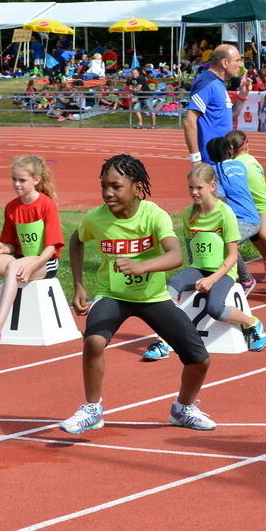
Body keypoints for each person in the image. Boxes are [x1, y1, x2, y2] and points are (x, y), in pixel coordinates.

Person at [64, 155, 217, 434]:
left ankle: (183, 408)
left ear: (136, 187)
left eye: (116, 186)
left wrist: (141, 265)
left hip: (153, 297)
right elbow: (76, 240)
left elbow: (175, 255)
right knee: (94, 341)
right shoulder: (95, 218)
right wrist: (79, 285)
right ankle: (92, 409)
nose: (108, 193)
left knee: (199, 359)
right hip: (113, 294)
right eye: (104, 186)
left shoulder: (153, 215)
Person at [142, 163, 266, 361]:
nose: (194, 192)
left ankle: (252, 323)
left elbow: (233, 256)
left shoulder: (224, 213)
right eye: (191, 188)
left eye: (199, 188)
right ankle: (163, 341)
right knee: (172, 284)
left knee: (214, 309)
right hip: (198, 268)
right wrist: (192, 277)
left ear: (212, 185)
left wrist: (212, 280)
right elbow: (192, 249)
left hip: (223, 272)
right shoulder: (187, 215)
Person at [0, 155, 64, 340]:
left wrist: (31, 267)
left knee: (13, 267)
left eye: (22, 180)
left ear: (36, 180)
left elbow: (51, 248)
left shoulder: (46, 205)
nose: (17, 184)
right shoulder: (11, 207)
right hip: (21, 259)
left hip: (45, 262)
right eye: (14, 179)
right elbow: (13, 245)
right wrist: (3, 249)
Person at [206, 137, 262, 296]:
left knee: (226, 244)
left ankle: (246, 280)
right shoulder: (239, 165)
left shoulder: (215, 171)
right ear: (230, 151)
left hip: (243, 219)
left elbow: (221, 198)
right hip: (252, 215)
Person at [227, 130, 266, 295]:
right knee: (233, 237)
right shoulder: (239, 161)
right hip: (246, 208)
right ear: (247, 144)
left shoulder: (242, 162)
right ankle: (265, 261)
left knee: (264, 234)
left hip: (264, 207)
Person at [183, 44, 251, 164]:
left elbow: (231, 117)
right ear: (224, 63)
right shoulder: (207, 82)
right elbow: (189, 120)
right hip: (209, 161)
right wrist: (196, 159)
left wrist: (242, 96)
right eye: (237, 61)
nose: (240, 65)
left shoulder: (218, 83)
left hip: (222, 158)